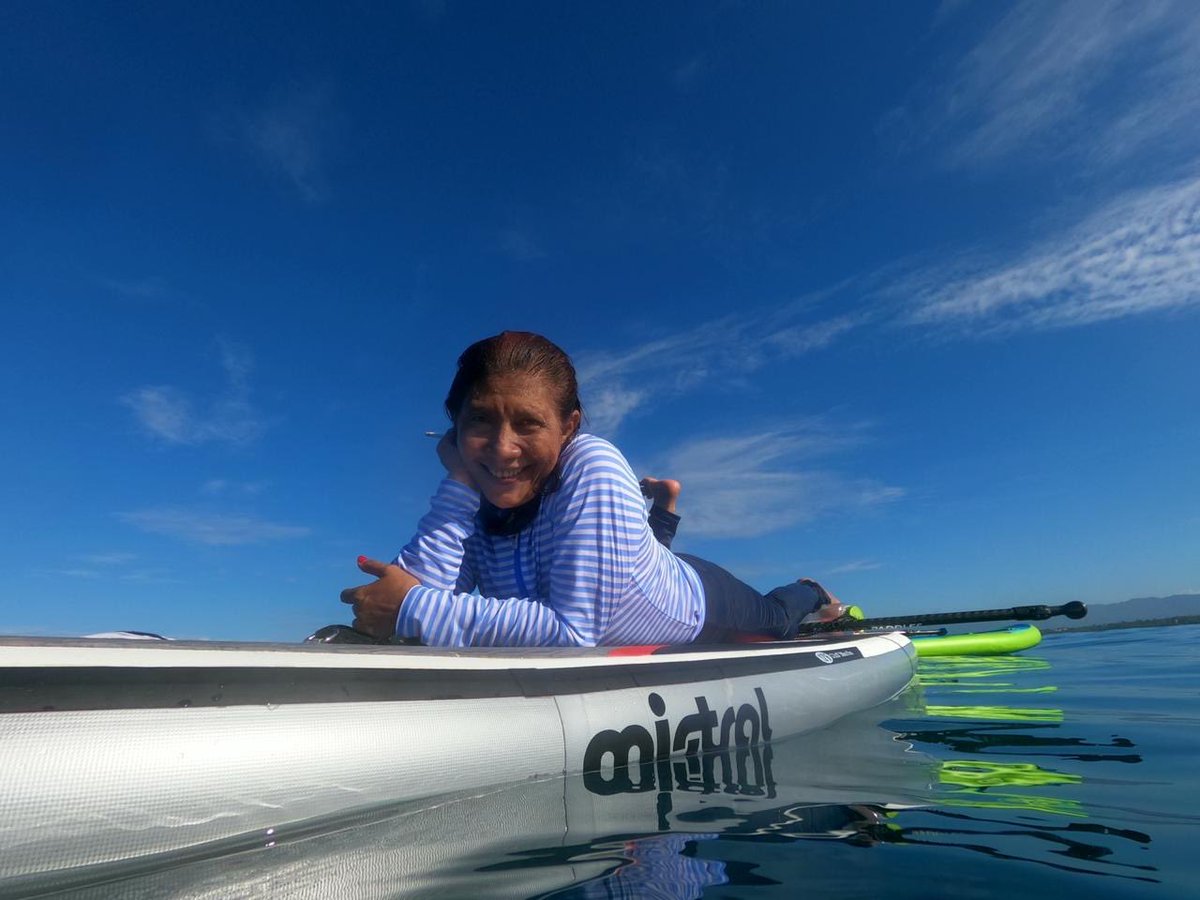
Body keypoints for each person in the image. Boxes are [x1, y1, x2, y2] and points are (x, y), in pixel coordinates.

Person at [340, 331, 849, 647]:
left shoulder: (594, 462)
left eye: (528, 424)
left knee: (777, 619)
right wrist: (459, 479)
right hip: (625, 583)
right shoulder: (475, 486)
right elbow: (415, 584)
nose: (502, 447)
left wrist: (414, 610)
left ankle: (811, 590)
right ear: (454, 429)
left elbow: (576, 632)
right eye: (479, 422)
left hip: (696, 602)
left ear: (568, 427)